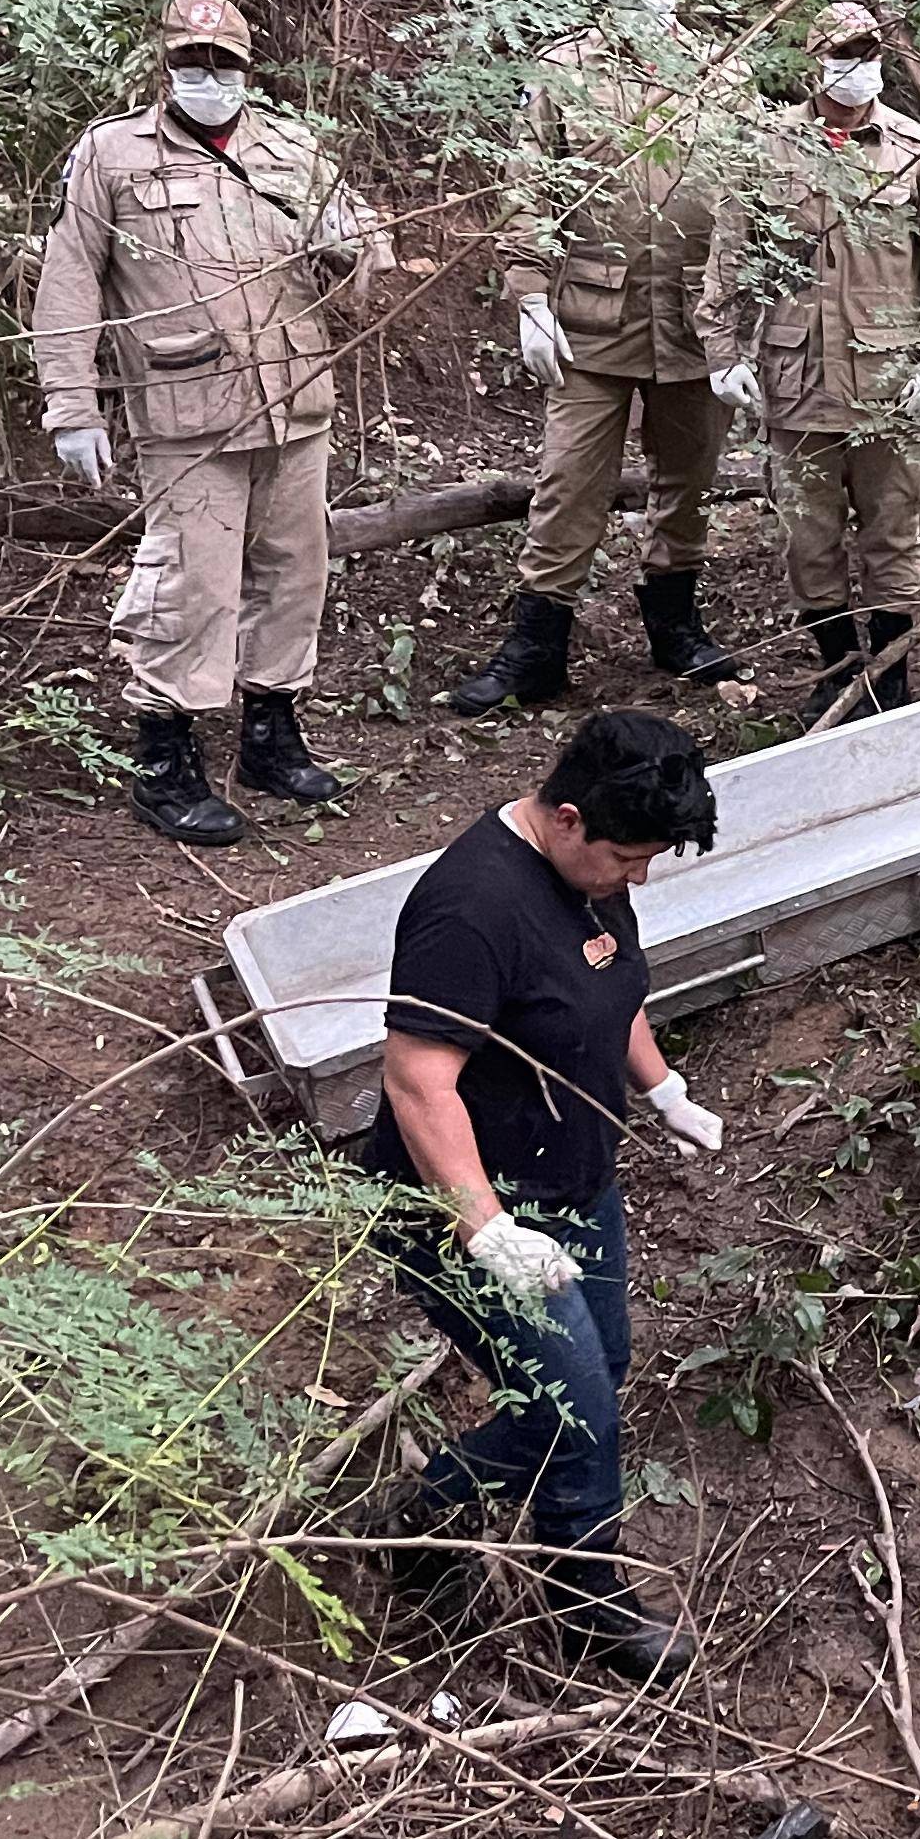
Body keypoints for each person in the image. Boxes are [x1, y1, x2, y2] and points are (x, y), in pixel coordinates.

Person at [357, 710, 725, 1682]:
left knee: (603, 1362)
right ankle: (585, 1600)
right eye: (628, 858)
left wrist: (662, 1087)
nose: (637, 878)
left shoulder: (593, 883)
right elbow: (417, 1082)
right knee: (573, 1405)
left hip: (576, 1183)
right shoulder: (471, 909)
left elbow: (617, 990)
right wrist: (486, 1232)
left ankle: (429, 1511)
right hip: (465, 1213)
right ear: (567, 819)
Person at [33, 0, 372, 846]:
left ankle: (270, 732)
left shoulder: (293, 151)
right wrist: (74, 406)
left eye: (223, 62)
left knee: (296, 572)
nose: (207, 76)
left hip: (296, 400)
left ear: (248, 68)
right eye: (192, 60)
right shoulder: (113, 155)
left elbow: (363, 262)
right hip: (189, 413)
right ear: (167, 64)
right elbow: (69, 281)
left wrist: (350, 251)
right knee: (191, 584)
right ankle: (165, 755)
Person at [447, 0, 748, 713]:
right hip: (590, 320)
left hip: (691, 322)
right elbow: (529, 189)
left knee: (689, 478)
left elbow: (750, 207)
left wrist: (738, 324)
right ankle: (537, 648)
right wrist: (530, 300)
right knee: (569, 480)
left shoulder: (724, 74)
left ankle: (675, 627)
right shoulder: (566, 68)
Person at [707, 0, 920, 725]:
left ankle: (890, 676)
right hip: (797, 384)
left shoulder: (918, 151)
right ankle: (836, 673)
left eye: (870, 52)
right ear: (816, 61)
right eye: (844, 53)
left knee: (894, 534)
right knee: (809, 537)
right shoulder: (767, 149)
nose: (858, 66)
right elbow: (727, 258)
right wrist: (721, 351)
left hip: (891, 388)